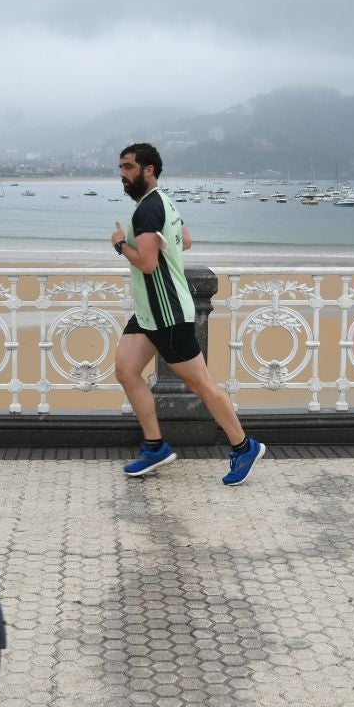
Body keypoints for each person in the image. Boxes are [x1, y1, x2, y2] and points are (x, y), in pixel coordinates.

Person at [111, 142, 265, 486]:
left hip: (167, 313)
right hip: (150, 312)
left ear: (149, 169)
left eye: (128, 167)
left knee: (201, 384)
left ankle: (244, 446)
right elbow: (186, 240)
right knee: (126, 369)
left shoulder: (148, 210)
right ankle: (155, 446)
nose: (122, 174)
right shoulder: (163, 203)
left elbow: (148, 264)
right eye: (121, 168)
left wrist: (121, 244)